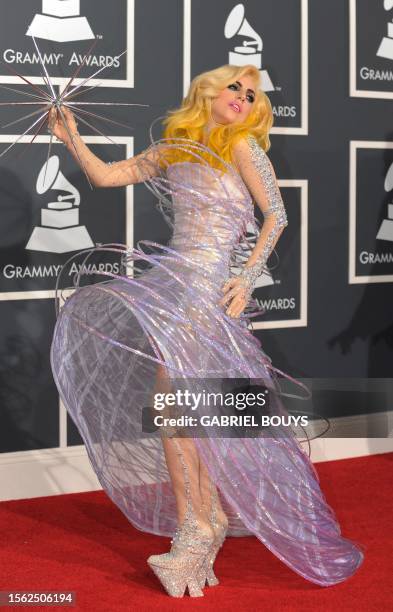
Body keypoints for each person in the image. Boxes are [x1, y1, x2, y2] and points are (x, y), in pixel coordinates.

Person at [48, 64, 364, 598]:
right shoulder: (175, 148)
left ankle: (198, 529)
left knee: (183, 409)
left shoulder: (242, 146)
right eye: (235, 87)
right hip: (174, 285)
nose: (243, 97)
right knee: (182, 410)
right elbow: (107, 177)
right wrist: (71, 136)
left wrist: (245, 275)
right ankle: (202, 520)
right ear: (209, 92)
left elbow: (278, 215)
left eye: (252, 94)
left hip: (208, 293)